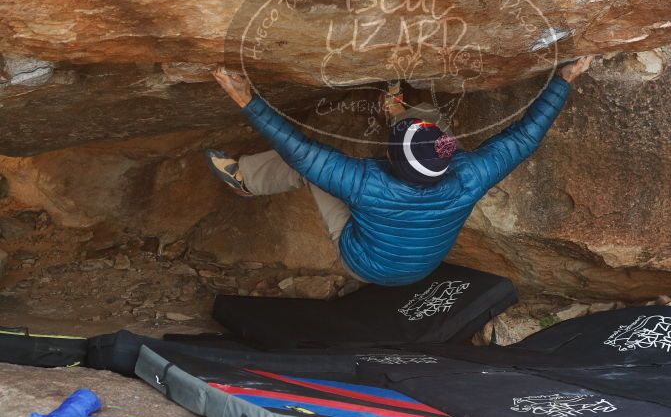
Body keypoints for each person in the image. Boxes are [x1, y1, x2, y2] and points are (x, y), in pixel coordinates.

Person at [206, 55, 594, 286]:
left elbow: (303, 154)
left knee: (309, 170)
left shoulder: (366, 183)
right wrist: (564, 80)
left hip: (363, 263)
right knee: (434, 124)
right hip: (422, 267)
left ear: (390, 159)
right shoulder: (470, 175)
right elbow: (524, 139)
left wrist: (247, 100)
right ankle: (400, 109)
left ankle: (247, 179)